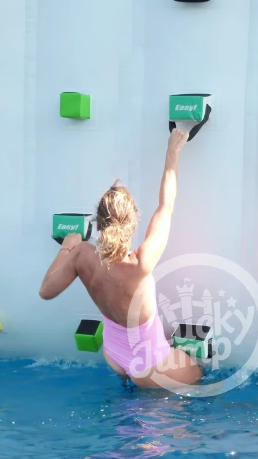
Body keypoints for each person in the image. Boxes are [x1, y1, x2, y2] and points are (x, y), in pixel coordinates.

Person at [38, 130, 203, 389]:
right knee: (200, 378)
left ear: (98, 224)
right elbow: (166, 205)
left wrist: (67, 247)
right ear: (134, 224)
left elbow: (45, 291)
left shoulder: (81, 254)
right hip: (150, 367)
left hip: (114, 353)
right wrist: (173, 151)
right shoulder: (140, 264)